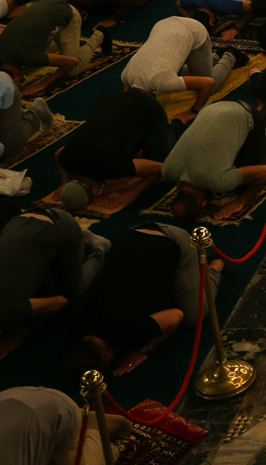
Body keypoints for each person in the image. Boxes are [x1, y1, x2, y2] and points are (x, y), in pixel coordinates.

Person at [65, 223, 222, 377]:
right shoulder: (75, 325)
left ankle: (214, 267)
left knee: (193, 316)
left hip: (175, 241)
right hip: (131, 234)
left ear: (109, 352)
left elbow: (176, 315)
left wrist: (143, 350)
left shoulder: (128, 331)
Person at [0, 207, 108, 357]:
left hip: (61, 225)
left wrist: (19, 335)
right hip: (21, 220)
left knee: (74, 298)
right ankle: (76, 242)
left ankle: (99, 248)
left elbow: (60, 302)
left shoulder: (7, 313)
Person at [53, 89, 170, 209]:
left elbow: (161, 168)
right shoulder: (68, 160)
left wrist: (133, 193)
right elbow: (58, 154)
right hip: (113, 98)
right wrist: (65, 182)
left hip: (148, 106)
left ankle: (176, 124)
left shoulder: (113, 167)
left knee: (165, 156)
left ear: (95, 189)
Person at [119, 16, 240, 119]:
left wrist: (194, 111)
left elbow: (208, 83)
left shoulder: (164, 83)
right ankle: (216, 56)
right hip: (165, 24)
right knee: (180, 75)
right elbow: (126, 95)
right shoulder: (126, 75)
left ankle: (231, 55)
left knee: (210, 88)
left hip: (193, 30)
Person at [0, 0, 105, 97]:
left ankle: (100, 35)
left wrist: (42, 84)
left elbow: (72, 62)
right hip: (46, 5)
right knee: (31, 66)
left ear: (17, 80)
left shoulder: (28, 57)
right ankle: (65, 44)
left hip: (68, 14)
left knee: (72, 70)